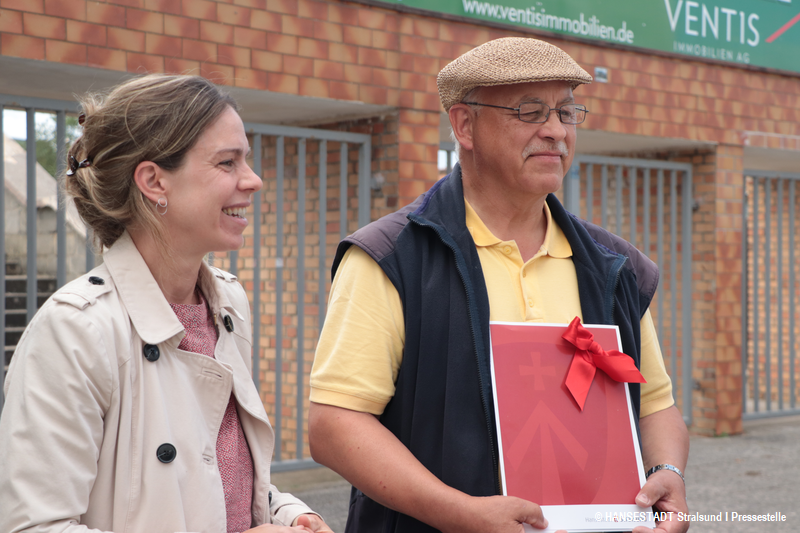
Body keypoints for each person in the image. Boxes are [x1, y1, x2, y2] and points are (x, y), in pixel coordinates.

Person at [308, 37, 689, 533]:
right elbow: (334, 426)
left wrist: (668, 471)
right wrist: (457, 512)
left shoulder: (613, 266)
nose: (555, 131)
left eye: (567, 112)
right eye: (530, 112)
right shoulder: (390, 257)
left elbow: (656, 405)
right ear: (465, 125)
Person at [0, 74, 333, 533]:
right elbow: (34, 526)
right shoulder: (76, 331)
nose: (253, 181)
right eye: (227, 163)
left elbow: (212, 475)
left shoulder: (228, 302)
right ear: (154, 181)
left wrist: (287, 513)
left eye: (247, 161)